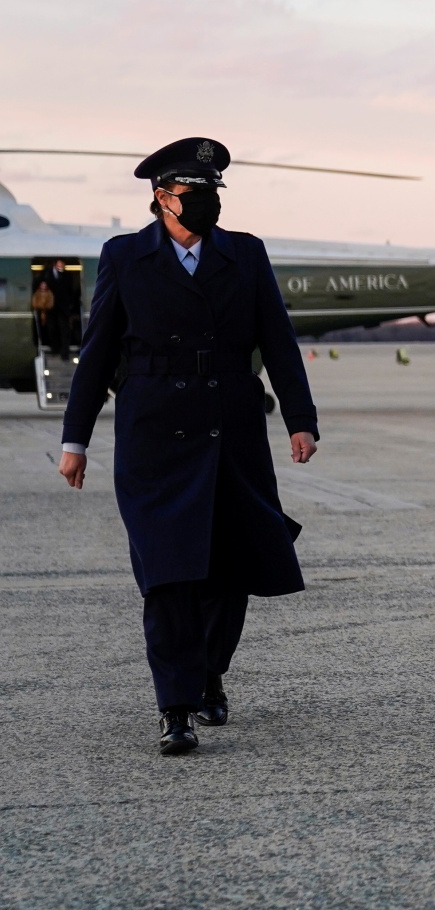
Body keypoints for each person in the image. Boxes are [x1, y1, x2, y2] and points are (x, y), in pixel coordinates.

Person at [56, 137, 320, 755]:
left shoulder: (245, 255)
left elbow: (278, 341)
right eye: (192, 193)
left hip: (232, 426)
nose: (204, 204)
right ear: (161, 197)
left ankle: (209, 673)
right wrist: (76, 439)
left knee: (229, 569)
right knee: (169, 574)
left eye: (211, 194)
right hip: (154, 435)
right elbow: (96, 352)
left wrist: (300, 421)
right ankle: (175, 706)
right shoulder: (123, 256)